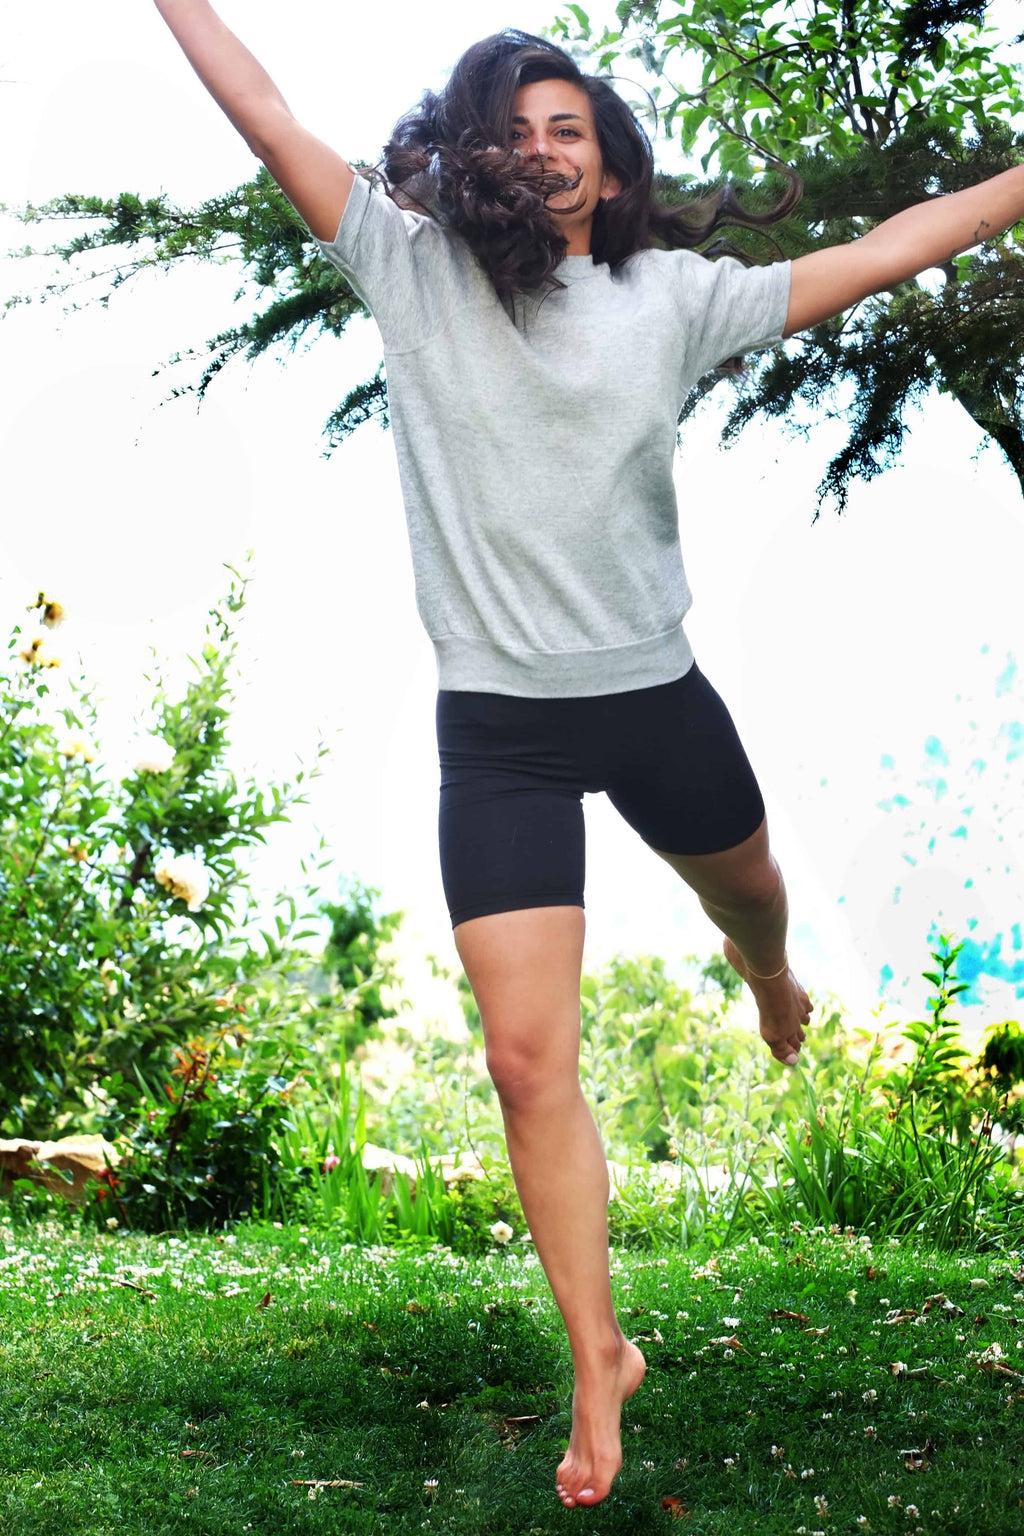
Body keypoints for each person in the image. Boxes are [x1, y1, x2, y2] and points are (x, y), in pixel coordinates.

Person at [154, 2, 1024, 1511]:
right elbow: (261, 108)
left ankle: (767, 975)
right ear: (479, 154)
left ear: (610, 172)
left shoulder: (673, 298)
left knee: (748, 890)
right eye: (519, 129)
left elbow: (890, 247)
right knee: (521, 1058)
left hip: (650, 695)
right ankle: (597, 1354)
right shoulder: (405, 266)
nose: (545, 152)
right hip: (497, 726)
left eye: (574, 132)